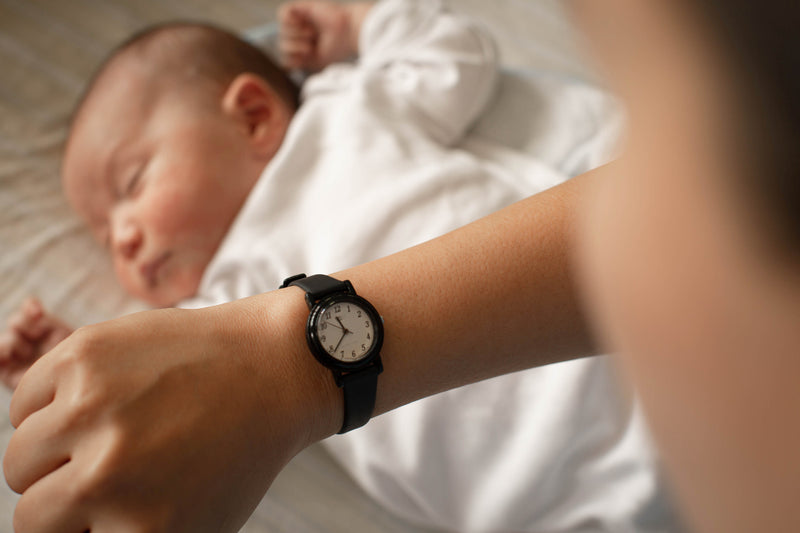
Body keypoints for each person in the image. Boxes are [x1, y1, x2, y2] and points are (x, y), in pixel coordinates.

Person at [3, 0, 798, 532]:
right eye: (106, 234)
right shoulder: (215, 309)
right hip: (549, 507)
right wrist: (75, 365)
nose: (126, 237)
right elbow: (160, 401)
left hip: (630, 360)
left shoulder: (347, 116)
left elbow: (454, 58)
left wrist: (364, 26)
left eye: (132, 185)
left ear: (251, 114)